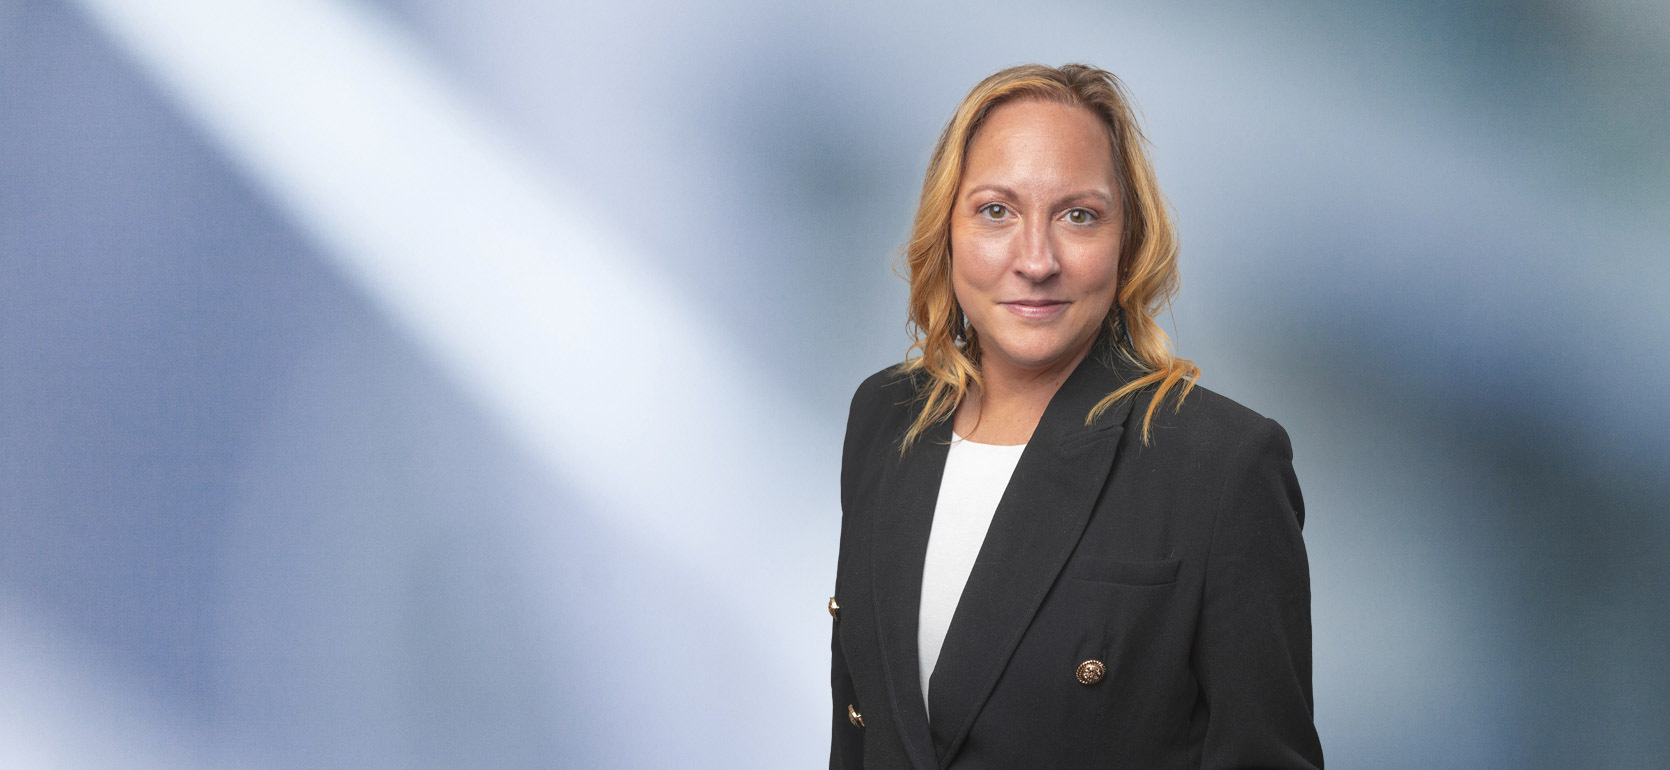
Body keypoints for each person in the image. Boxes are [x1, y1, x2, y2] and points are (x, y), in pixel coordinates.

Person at [828, 63, 1323, 768]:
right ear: (946, 228)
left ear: (1129, 241)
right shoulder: (885, 417)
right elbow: (859, 735)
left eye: (1078, 215)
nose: (1036, 260)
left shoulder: (1222, 463)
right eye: (996, 210)